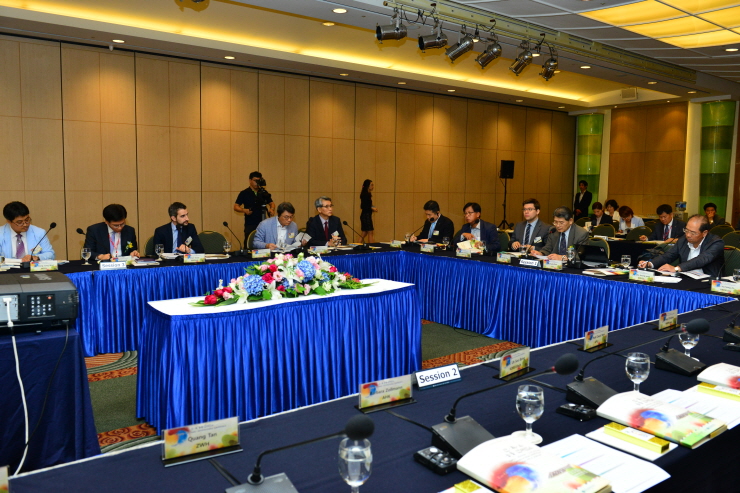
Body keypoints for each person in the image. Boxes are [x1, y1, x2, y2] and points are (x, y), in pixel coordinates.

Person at [638, 215, 724, 278]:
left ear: (704, 233)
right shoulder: (683, 240)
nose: (688, 235)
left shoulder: (716, 243)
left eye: (693, 232)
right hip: (686, 279)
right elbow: (669, 255)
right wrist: (650, 264)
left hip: (709, 282)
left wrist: (677, 268)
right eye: (686, 230)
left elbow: (701, 259)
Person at [234, 171, 275, 245]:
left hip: (263, 222)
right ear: (250, 180)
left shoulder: (263, 192)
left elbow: (271, 203)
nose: (257, 183)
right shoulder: (244, 193)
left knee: (263, 243)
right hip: (250, 223)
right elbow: (236, 206)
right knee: (249, 242)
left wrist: (271, 209)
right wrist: (244, 210)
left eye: (258, 180)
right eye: (255, 180)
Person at [359, 179, 378, 243]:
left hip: (365, 215)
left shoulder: (366, 194)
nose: (373, 187)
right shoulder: (366, 194)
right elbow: (363, 206)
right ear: (368, 186)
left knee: (364, 233)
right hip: (366, 215)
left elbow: (367, 205)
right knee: (370, 232)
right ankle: (372, 246)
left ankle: (357, 244)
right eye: (371, 185)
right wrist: (372, 208)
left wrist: (372, 207)